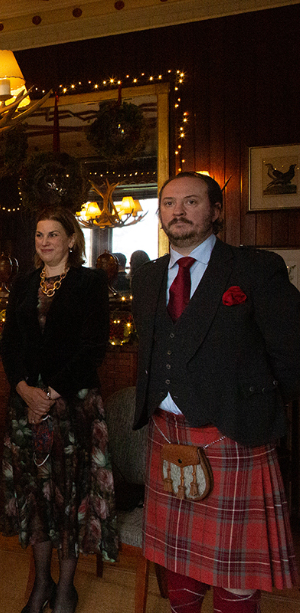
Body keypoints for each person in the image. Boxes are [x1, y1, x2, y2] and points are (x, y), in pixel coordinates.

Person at [131, 172, 300, 613]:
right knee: (177, 560)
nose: (178, 211)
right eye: (169, 203)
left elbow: (291, 349)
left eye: (191, 202)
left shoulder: (254, 269)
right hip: (167, 435)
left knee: (235, 567)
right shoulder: (147, 276)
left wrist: (261, 408)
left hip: (234, 435)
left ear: (216, 211)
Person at [0, 207, 118, 613]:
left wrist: (46, 396)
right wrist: (24, 390)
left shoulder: (90, 282)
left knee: (69, 499)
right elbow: (8, 344)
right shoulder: (24, 283)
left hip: (74, 409)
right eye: (38, 235)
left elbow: (93, 349)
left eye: (53, 234)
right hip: (25, 407)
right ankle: (41, 584)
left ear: (71, 240)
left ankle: (65, 589)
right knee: (37, 498)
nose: (45, 241)